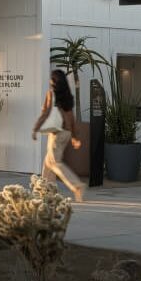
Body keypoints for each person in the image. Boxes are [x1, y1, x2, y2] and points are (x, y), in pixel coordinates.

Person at [32, 70, 86, 202]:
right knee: (48, 163)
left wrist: (35, 128)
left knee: (55, 162)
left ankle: (77, 185)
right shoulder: (68, 96)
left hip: (57, 133)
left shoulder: (51, 94)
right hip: (66, 133)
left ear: (53, 81)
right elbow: (71, 117)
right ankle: (45, 192)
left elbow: (45, 113)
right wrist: (74, 136)